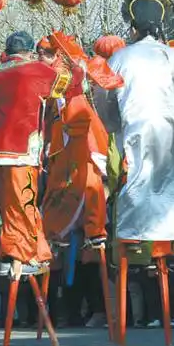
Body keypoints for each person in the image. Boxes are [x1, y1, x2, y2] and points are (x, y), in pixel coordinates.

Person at [94, 0, 174, 254]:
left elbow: (104, 95)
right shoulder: (172, 56)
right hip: (169, 127)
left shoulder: (120, 57)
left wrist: (114, 125)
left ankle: (136, 236)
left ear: (132, 26)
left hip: (135, 125)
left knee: (139, 175)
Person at [0, 31, 81, 276]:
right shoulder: (37, 70)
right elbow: (71, 84)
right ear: (30, 52)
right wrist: (74, 63)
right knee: (24, 202)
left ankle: (30, 250)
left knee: (7, 206)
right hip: (21, 150)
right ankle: (21, 254)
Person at [37, 38, 109, 248]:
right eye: (39, 51)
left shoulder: (62, 75)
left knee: (84, 182)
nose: (42, 55)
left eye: (48, 51)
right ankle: (86, 230)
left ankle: (81, 230)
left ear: (57, 54)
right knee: (74, 184)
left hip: (76, 133)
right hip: (65, 136)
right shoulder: (53, 74)